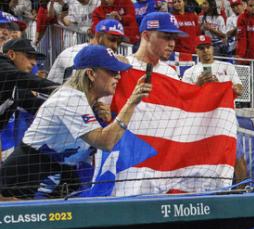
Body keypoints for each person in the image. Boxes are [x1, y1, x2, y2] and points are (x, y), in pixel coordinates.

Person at [0, 45, 150, 198]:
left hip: (58, 178)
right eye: (112, 71)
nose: (118, 77)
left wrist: (107, 121)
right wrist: (131, 103)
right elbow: (105, 142)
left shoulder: (88, 104)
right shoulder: (70, 98)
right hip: (24, 178)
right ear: (91, 74)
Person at [48, 19, 126, 83]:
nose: (115, 46)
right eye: (112, 40)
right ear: (98, 36)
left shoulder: (109, 57)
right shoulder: (74, 54)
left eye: (119, 42)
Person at [132, 12, 185, 78]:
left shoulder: (170, 73)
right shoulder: (124, 66)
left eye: (174, 38)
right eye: (167, 37)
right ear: (146, 36)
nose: (172, 44)